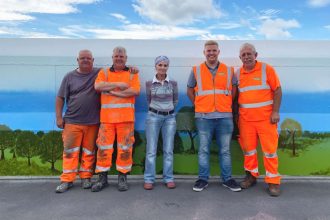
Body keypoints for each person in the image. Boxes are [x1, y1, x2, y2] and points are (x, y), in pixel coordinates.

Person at [187, 40, 241, 192]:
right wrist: (198, 105)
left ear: (218, 52)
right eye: (208, 50)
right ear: (204, 52)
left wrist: (226, 104)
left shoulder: (229, 70)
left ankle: (227, 179)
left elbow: (234, 91)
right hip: (204, 117)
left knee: (225, 150)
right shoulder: (196, 70)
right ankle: (203, 179)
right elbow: (189, 90)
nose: (211, 53)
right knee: (203, 149)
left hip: (225, 117)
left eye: (214, 50)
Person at [91, 46, 140, 192]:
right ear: (112, 57)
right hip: (107, 120)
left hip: (126, 119)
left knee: (125, 149)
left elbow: (135, 90)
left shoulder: (133, 73)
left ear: (126, 58)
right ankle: (102, 179)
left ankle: (122, 178)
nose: (119, 58)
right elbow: (98, 86)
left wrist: (112, 92)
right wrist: (119, 85)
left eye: (122, 56)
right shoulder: (104, 72)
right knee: (103, 149)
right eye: (116, 56)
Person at [236, 43, 282, 197]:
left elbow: (277, 90)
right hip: (245, 120)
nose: (247, 57)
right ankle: (251, 176)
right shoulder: (237, 74)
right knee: (248, 151)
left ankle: (273, 182)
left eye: (249, 54)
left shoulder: (266, 69)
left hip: (266, 119)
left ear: (256, 55)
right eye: (244, 55)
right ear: (240, 57)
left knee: (270, 152)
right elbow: (235, 98)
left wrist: (275, 111)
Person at [55, 50, 100, 193]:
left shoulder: (99, 73)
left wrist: (131, 69)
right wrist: (59, 117)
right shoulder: (69, 76)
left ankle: (86, 177)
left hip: (92, 123)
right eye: (82, 58)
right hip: (72, 121)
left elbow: (117, 69)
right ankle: (67, 180)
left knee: (89, 152)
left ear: (93, 60)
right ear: (77, 60)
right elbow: (60, 98)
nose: (85, 60)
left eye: (88, 58)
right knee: (70, 152)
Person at [143, 56, 178, 190]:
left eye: (165, 65)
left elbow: (175, 101)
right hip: (153, 117)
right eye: (160, 65)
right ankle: (149, 179)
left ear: (168, 67)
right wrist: (157, 110)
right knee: (151, 150)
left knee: (168, 150)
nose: (162, 67)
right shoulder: (149, 84)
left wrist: (167, 110)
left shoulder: (173, 83)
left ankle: (168, 178)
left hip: (169, 118)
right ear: (156, 66)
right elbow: (148, 100)